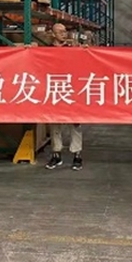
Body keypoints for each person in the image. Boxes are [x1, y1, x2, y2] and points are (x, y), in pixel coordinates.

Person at [46, 23, 84, 171]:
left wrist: (84, 51)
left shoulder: (73, 49)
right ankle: (56, 154)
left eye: (65, 31)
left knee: (75, 123)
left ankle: (77, 155)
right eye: (60, 32)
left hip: (71, 90)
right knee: (54, 123)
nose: (64, 34)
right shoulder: (46, 51)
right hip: (55, 89)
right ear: (53, 34)